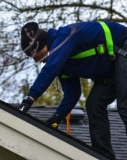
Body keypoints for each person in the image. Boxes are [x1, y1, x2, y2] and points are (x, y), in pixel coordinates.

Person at [18, 20, 127, 160]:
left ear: (41, 44)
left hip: (124, 48)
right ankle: (103, 156)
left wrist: (28, 100)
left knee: (124, 105)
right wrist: (56, 118)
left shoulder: (65, 36)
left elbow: (50, 69)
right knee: (94, 104)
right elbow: (72, 93)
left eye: (34, 55)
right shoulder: (63, 63)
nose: (36, 60)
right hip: (112, 69)